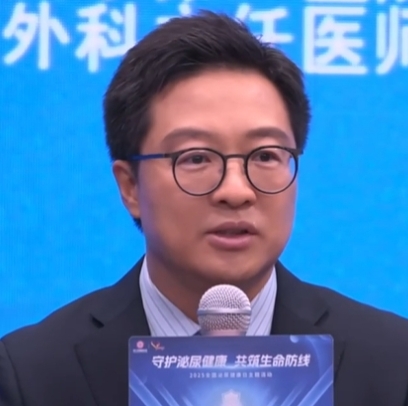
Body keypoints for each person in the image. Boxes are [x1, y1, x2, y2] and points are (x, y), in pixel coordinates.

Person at [1, 10, 408, 406]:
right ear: (130, 186)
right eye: (196, 158)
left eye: (265, 155)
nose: (236, 191)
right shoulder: (32, 374)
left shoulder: (392, 363)